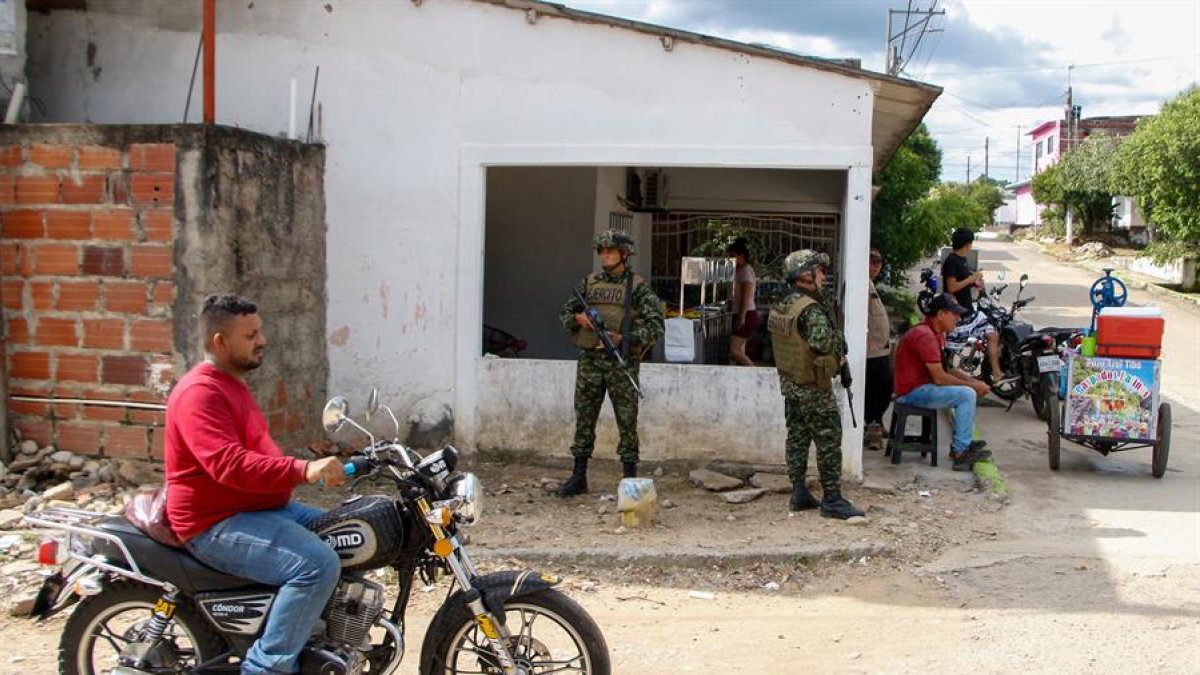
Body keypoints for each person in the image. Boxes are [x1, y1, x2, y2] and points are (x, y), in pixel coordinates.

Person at [165, 294, 347, 675]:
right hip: (214, 521)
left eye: (259, 331)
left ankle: (321, 639)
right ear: (220, 342)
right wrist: (303, 470)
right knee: (317, 564)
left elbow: (257, 455)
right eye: (251, 335)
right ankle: (268, 667)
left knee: (347, 531)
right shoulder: (201, 393)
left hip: (255, 507)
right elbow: (227, 464)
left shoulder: (231, 384)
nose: (262, 340)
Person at [557, 229, 665, 497]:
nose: (604, 255)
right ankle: (578, 477)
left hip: (621, 363)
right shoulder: (588, 284)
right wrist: (579, 319)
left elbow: (657, 327)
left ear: (624, 254)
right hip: (590, 360)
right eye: (601, 251)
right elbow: (564, 314)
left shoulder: (637, 288)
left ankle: (629, 480)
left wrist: (624, 339)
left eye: (610, 251)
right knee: (584, 419)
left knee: (627, 423)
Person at [767, 249, 863, 520]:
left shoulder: (782, 304)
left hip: (792, 383)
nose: (823, 275)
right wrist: (838, 340)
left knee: (797, 437)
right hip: (812, 386)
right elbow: (822, 342)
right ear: (805, 274)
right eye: (819, 270)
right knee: (828, 440)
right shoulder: (810, 308)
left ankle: (798, 492)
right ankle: (832, 499)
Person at [893, 293, 993, 471]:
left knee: (968, 391)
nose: (958, 318)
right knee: (966, 395)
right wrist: (972, 387)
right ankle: (961, 451)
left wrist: (973, 381)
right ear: (940, 314)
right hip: (911, 392)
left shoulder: (936, 334)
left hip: (922, 387)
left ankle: (963, 443)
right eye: (953, 314)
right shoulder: (925, 335)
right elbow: (940, 378)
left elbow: (947, 369)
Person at [940, 227, 1009, 383]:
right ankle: (949, 380)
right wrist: (972, 279)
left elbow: (963, 284)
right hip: (957, 316)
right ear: (968, 244)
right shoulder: (951, 261)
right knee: (951, 354)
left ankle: (996, 373)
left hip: (971, 312)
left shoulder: (963, 262)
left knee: (992, 334)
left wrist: (975, 283)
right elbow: (951, 287)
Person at [864, 247, 893, 451]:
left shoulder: (869, 284)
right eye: (872, 262)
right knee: (880, 386)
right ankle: (872, 426)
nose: (876, 266)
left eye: (878, 262)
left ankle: (876, 422)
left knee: (883, 386)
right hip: (870, 350)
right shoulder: (859, 283)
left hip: (879, 349)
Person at [727, 238, 758, 366]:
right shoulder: (738, 270)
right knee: (740, 351)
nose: (731, 259)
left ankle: (756, 373)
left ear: (742, 255)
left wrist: (742, 317)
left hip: (747, 314)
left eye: (733, 256)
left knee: (733, 351)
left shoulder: (746, 271)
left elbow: (746, 296)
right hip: (742, 313)